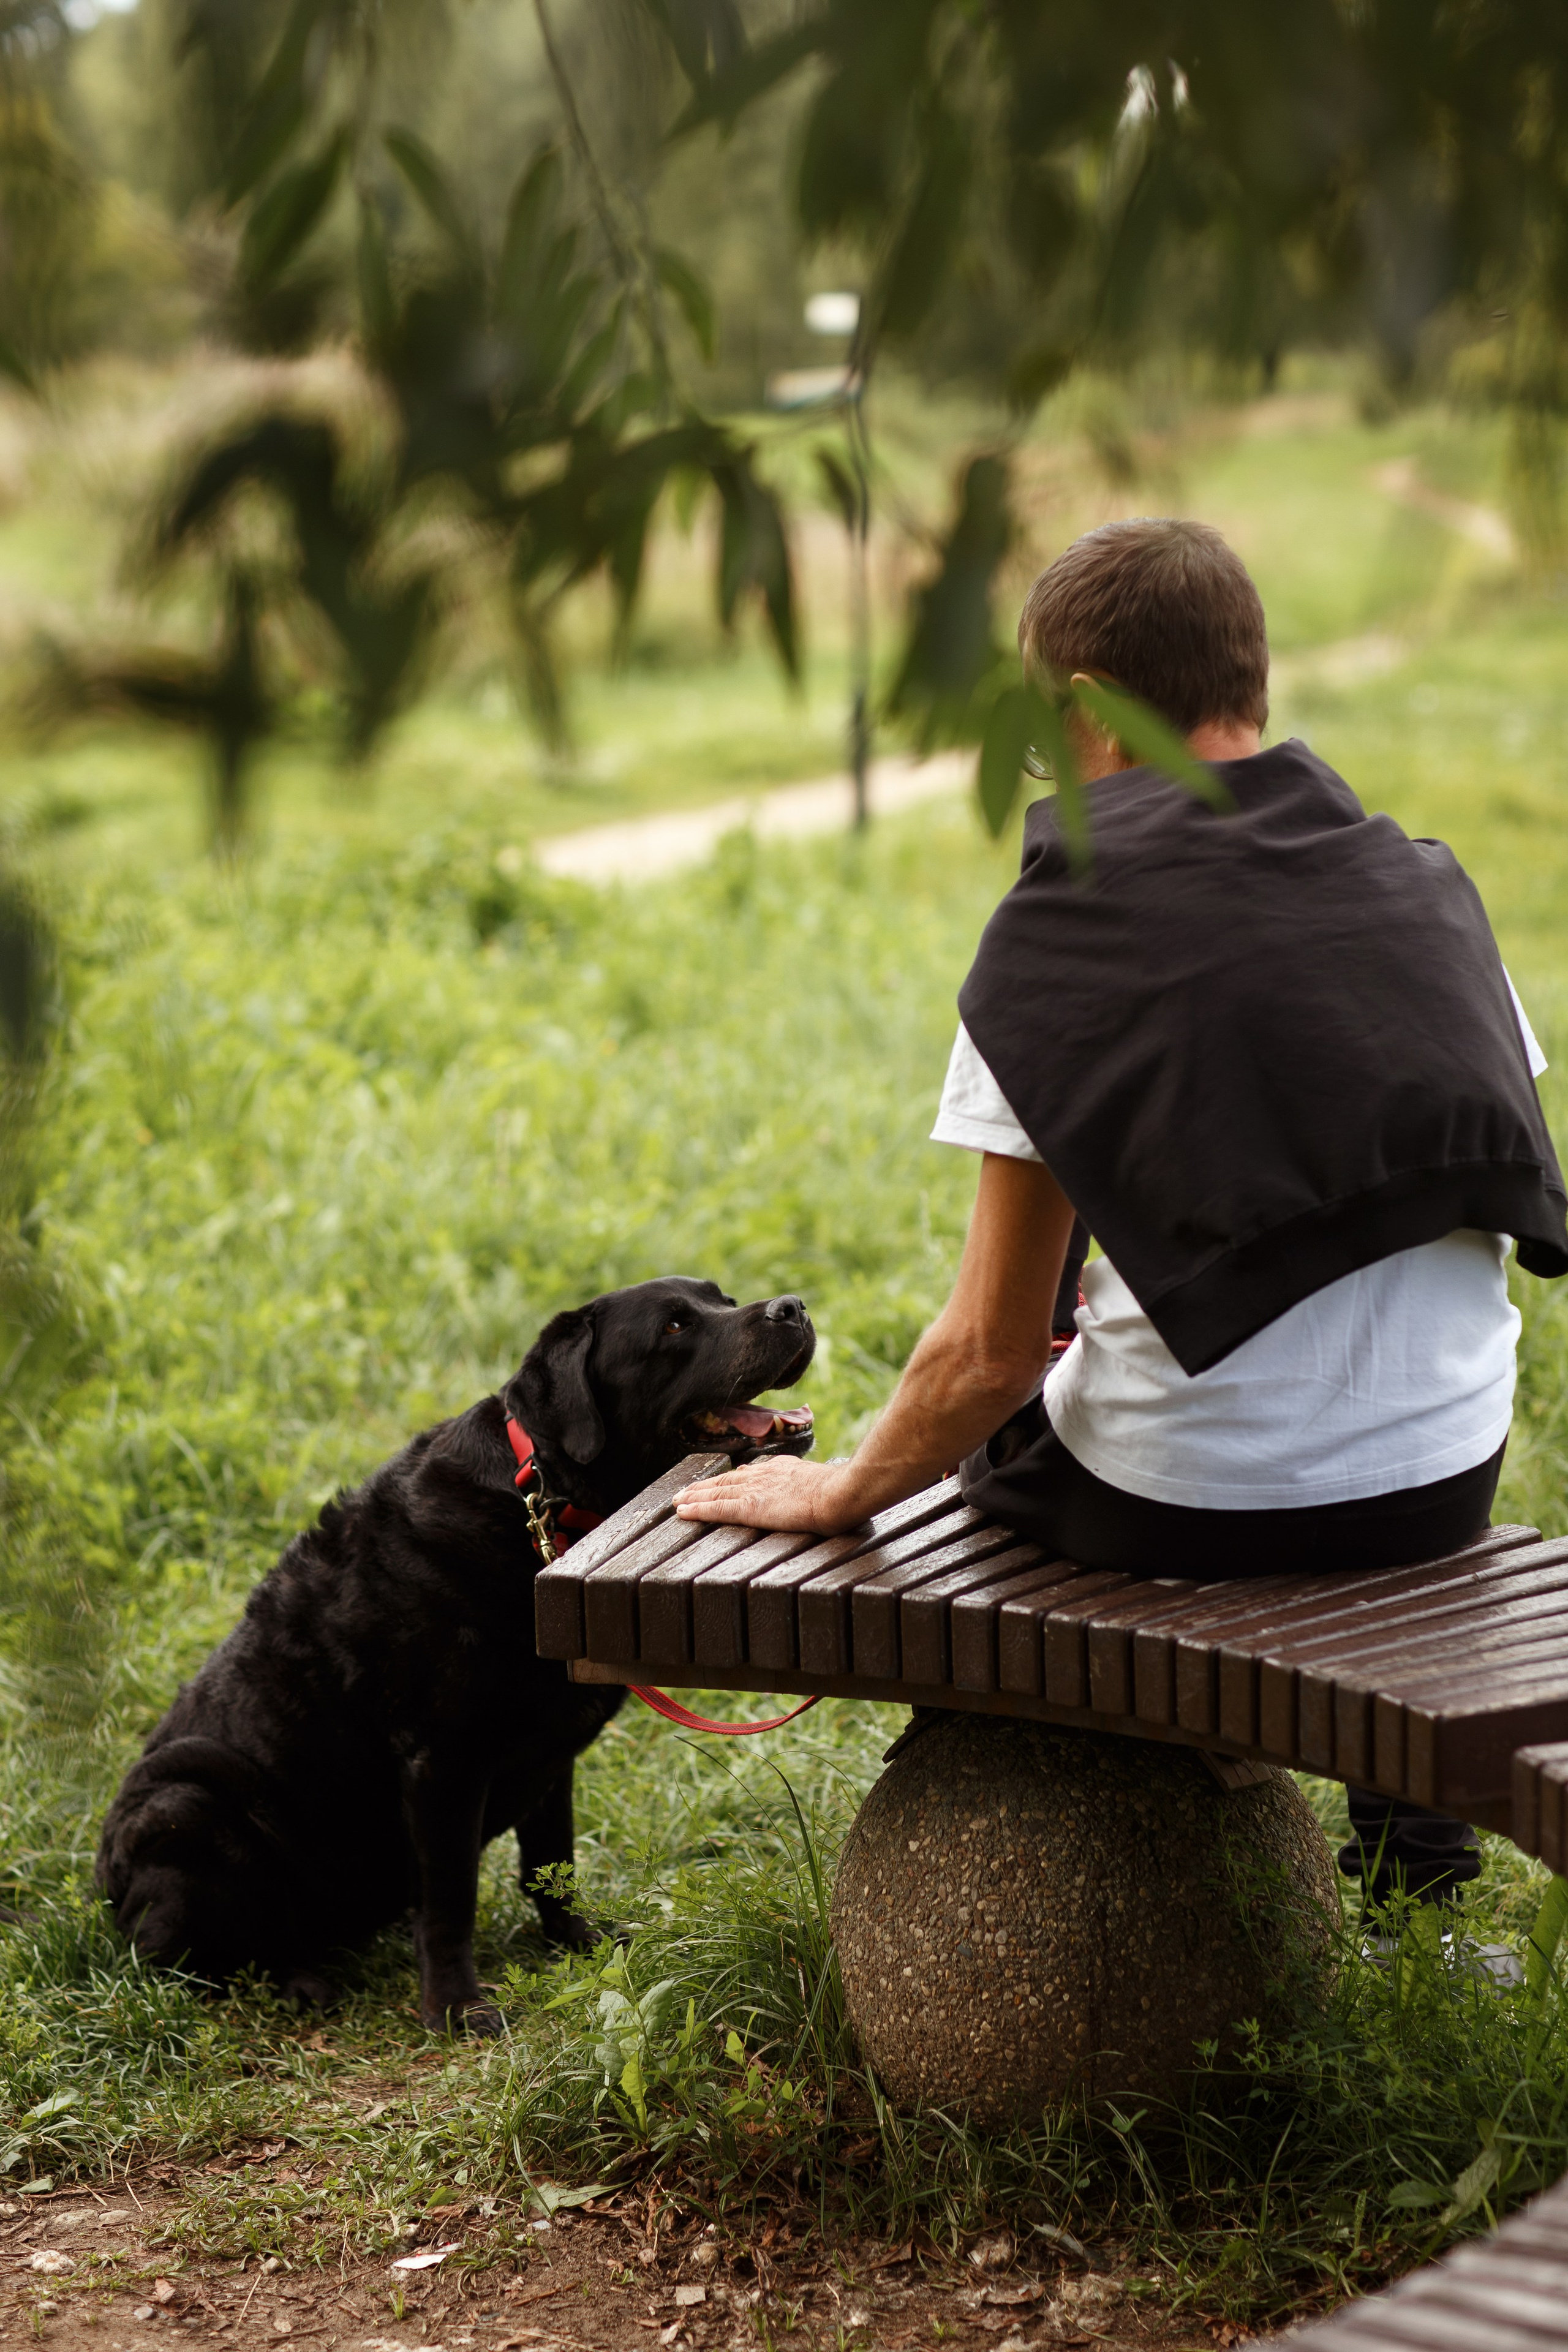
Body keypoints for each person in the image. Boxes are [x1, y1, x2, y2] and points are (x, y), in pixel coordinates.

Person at [675, 516, 1568, 1917]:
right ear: (1249, 685)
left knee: (1011, 1451)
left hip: (1184, 1510)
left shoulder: (1063, 940)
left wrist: (842, 1488)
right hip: (1444, 1477)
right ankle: (1422, 1885)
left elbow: (988, 1354)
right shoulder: (1425, 888)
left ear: (1084, 711)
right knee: (1349, 1373)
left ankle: (1082, 1865)